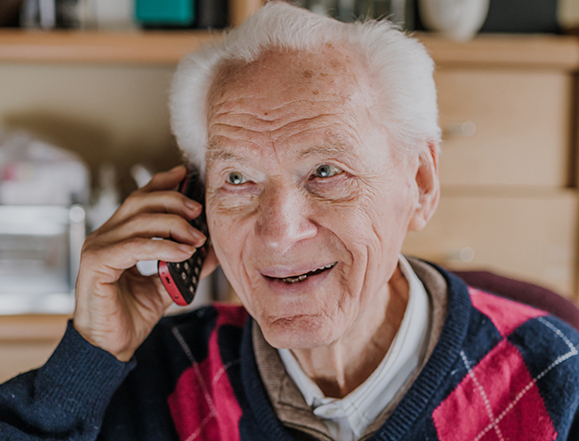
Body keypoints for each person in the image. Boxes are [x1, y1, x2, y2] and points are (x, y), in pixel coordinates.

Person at [1, 2, 578, 440]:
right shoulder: (158, 380)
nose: (278, 231)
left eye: (326, 170)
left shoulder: (557, 382)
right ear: (196, 200)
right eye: (237, 179)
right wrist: (89, 357)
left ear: (420, 184)